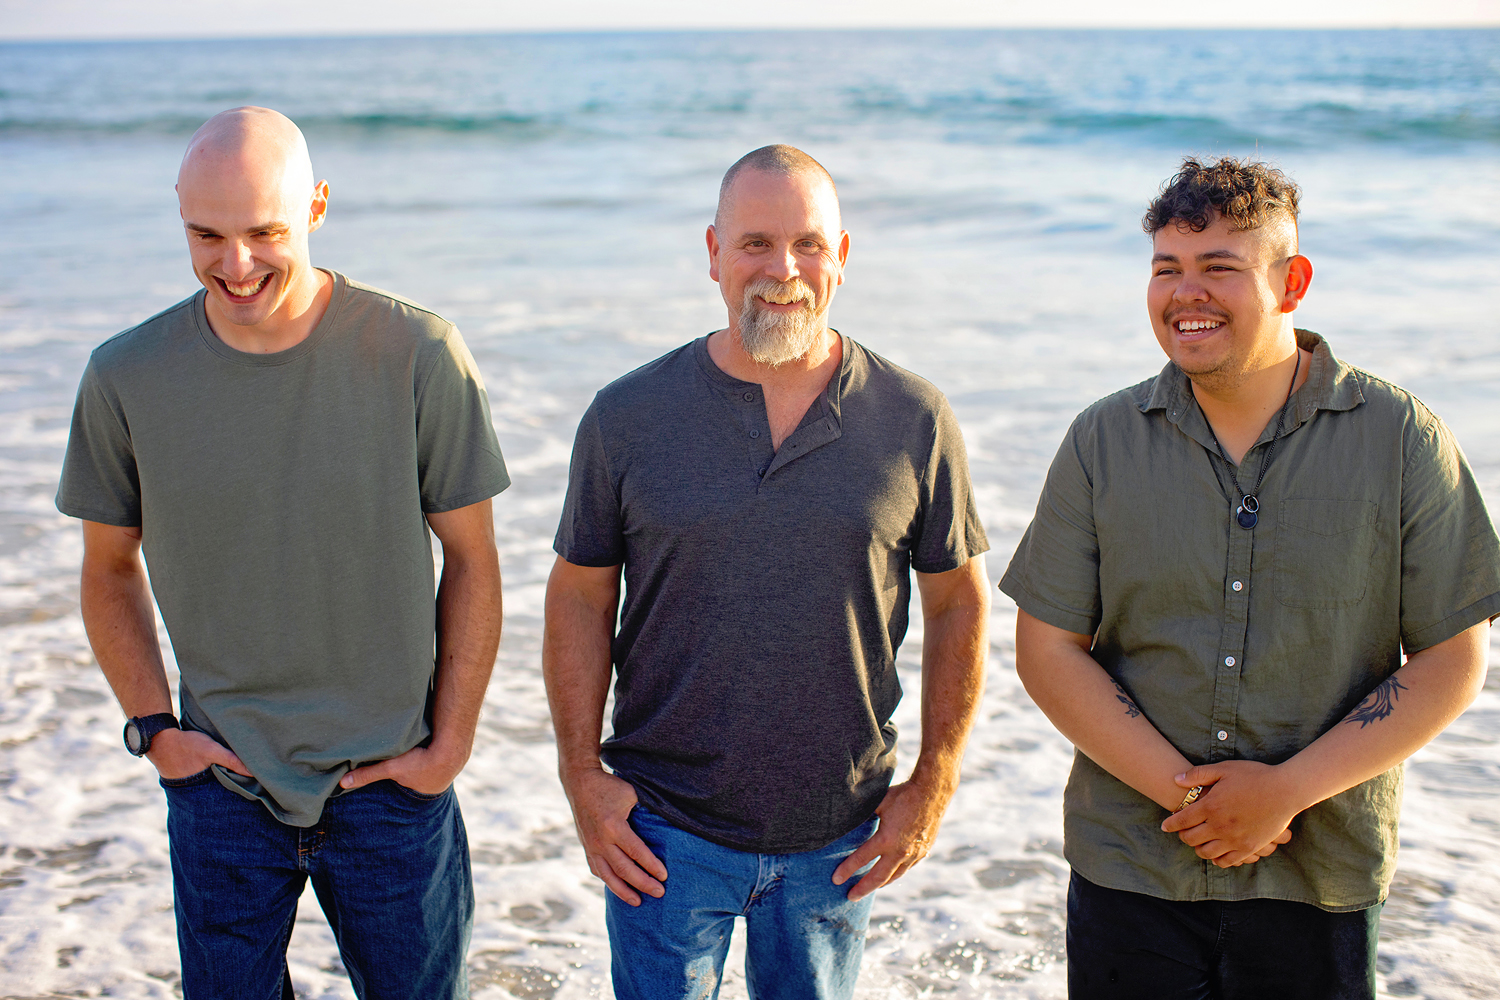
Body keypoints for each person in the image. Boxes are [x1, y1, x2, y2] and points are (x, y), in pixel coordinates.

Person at [1000, 156, 1500, 999]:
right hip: (1132, 865)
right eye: (1167, 269)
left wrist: (1285, 794)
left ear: (1292, 281)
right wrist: (1195, 799)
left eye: (1219, 268)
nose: (1185, 294)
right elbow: (1047, 649)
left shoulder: (1400, 438)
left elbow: (1455, 658)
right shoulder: (1101, 441)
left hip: (1320, 873)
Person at [56, 107, 509, 999]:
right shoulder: (126, 376)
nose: (237, 264)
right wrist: (156, 731)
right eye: (206, 235)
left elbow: (473, 562)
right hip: (222, 784)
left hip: (391, 786)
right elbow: (107, 568)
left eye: (265, 231)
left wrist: (447, 750)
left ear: (317, 206)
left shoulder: (419, 353)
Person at [543, 144, 991, 999]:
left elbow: (960, 605)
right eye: (754, 244)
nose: (782, 270)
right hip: (662, 833)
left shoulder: (913, 418)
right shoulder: (627, 416)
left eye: (808, 245)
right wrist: (581, 776)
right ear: (712, 253)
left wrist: (933, 780)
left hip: (838, 835)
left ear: (843, 257)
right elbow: (578, 597)